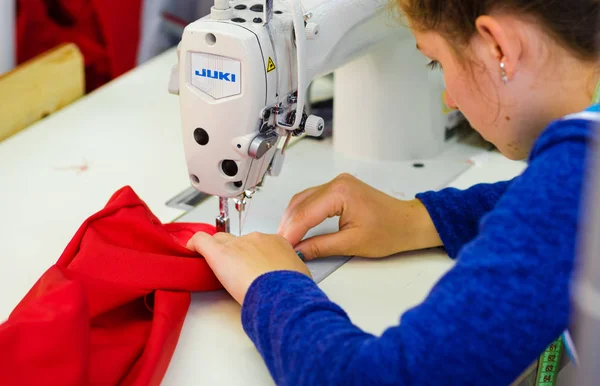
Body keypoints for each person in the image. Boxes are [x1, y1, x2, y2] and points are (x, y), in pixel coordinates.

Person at [186, 0, 600, 384]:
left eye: (436, 63)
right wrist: (422, 219)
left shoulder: (577, 179)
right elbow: (551, 206)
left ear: (499, 47)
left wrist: (272, 286)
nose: (449, 100)